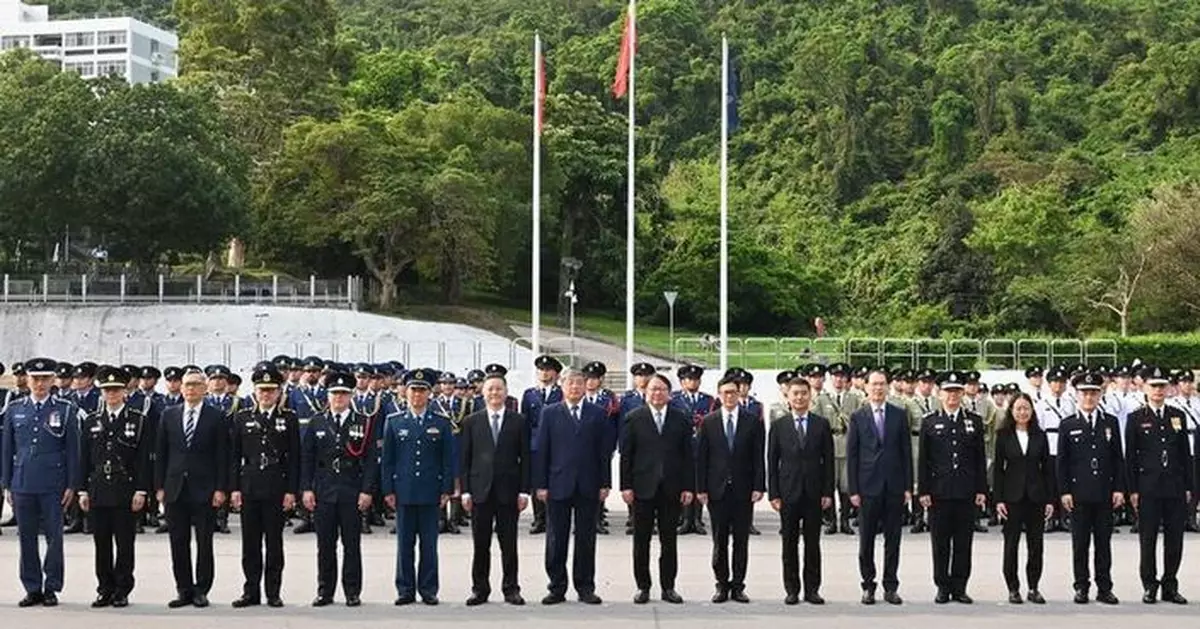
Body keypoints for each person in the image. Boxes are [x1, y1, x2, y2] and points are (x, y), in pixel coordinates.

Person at [2, 358, 81, 607]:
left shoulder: (65, 408)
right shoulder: (15, 409)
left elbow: (73, 450)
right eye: (35, 379)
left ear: (52, 380)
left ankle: (52, 587)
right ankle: (32, 587)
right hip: (23, 482)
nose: (39, 383)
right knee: (26, 538)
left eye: (45, 378)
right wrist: (6, 483)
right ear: (27, 379)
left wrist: (72, 484)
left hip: (53, 484)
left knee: (54, 538)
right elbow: (6, 450)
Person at [533, 368, 612, 605]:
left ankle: (585, 586)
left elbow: (603, 452)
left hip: (588, 484)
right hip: (558, 484)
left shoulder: (597, 413)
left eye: (579, 383)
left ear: (586, 385)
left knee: (586, 539)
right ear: (562, 386)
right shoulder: (550, 413)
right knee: (557, 538)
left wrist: (605, 483)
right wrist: (541, 485)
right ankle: (556, 587)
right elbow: (542, 450)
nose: (575, 387)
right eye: (570, 383)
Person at [301, 370, 378, 607]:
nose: (339, 398)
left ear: (351, 395)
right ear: (328, 395)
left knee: (351, 544)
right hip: (324, 491)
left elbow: (371, 460)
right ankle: (325, 591)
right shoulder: (317, 421)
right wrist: (306, 489)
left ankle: (352, 591)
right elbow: (307, 458)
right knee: (325, 545)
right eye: (335, 393)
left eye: (344, 394)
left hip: (351, 490)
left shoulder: (363, 422)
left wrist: (367, 490)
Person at [78, 366, 152, 608]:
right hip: (98, 489)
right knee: (101, 543)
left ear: (124, 391)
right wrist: (82, 490)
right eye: (107, 390)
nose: (111, 394)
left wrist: (141, 490)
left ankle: (122, 589)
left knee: (124, 543)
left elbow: (143, 459)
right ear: (101, 393)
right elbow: (84, 459)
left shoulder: (137, 420)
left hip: (125, 489)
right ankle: (104, 588)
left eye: (116, 390)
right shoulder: (91, 421)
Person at [155, 369, 228, 609]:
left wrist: (220, 489)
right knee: (178, 541)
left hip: (204, 488)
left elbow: (221, 456)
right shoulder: (169, 415)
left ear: (205, 388)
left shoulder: (216, 416)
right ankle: (183, 589)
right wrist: (159, 487)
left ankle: (201, 589)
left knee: (204, 542)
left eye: (196, 385)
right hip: (175, 488)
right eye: (187, 385)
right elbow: (161, 454)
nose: (190, 389)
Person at [229, 365, 300, 608]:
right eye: (262, 390)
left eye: (271, 390)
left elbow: (294, 458)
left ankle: (273, 592)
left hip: (275, 486)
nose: (266, 394)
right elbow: (234, 456)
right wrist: (235, 489)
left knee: (274, 543)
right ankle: (251, 591)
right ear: (255, 391)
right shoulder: (242, 417)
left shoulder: (288, 418)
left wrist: (291, 491)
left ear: (279, 392)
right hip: (249, 486)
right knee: (250, 544)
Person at [382, 369, 455, 606]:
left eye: (422, 390)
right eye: (413, 389)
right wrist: (388, 490)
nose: (417, 395)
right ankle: (405, 589)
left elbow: (447, 460)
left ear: (429, 394)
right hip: (403, 491)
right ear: (406, 392)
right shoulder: (394, 422)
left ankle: (428, 589)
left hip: (430, 491)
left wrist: (446, 490)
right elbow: (388, 460)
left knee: (429, 545)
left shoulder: (441, 423)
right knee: (404, 545)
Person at [621, 373, 694, 605]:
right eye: (653, 389)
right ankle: (643, 587)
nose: (657, 393)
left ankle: (668, 587)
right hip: (642, 489)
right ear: (646, 392)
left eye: (661, 389)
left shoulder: (681, 418)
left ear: (669, 394)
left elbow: (688, 457)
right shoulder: (634, 417)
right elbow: (626, 456)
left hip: (671, 489)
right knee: (641, 541)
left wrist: (688, 487)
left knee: (669, 541)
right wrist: (625, 486)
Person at [460, 372, 531, 606]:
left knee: (508, 545)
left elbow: (526, 459)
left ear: (506, 392)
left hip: (508, 492)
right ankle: (480, 589)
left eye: (499, 389)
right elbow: (465, 459)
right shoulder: (472, 421)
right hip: (480, 492)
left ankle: (511, 589)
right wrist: (466, 491)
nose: (494, 393)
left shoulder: (519, 421)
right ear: (483, 392)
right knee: (481, 545)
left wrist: (524, 491)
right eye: (490, 389)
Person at [918, 371, 987, 604]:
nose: (952, 396)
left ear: (962, 393)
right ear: (940, 394)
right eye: (948, 391)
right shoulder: (930, 421)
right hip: (939, 492)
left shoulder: (974, 421)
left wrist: (981, 490)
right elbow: (924, 460)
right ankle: (942, 586)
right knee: (940, 543)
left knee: (963, 542)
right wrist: (924, 491)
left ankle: (960, 587)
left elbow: (980, 459)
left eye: (957, 391)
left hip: (966, 491)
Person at [696, 374, 765, 604]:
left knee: (741, 541)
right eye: (725, 392)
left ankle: (738, 586)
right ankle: (721, 585)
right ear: (719, 394)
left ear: (740, 393)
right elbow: (702, 458)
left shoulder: (752, 421)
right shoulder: (709, 421)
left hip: (743, 491)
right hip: (717, 491)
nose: (729, 396)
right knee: (720, 541)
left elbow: (758, 457)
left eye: (733, 392)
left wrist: (758, 486)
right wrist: (701, 488)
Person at [1125, 366, 1191, 605]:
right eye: (1153, 386)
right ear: (1144, 388)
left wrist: (1189, 487)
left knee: (1175, 539)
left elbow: (1185, 454)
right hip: (1148, 488)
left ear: (1168, 388)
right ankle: (1149, 585)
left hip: (1174, 486)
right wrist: (1132, 489)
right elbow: (1130, 457)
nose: (1158, 390)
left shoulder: (1177, 415)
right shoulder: (1136, 418)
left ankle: (1170, 585)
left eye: (1162, 386)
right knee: (1148, 539)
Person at [1058, 370, 1124, 605]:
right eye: (1085, 393)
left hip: (1104, 493)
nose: (1089, 397)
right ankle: (1081, 586)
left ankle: (1104, 587)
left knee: (1103, 544)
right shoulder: (1068, 425)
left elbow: (1118, 459)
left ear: (1100, 394)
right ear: (1077, 395)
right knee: (1080, 544)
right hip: (1078, 494)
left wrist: (1119, 489)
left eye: (1094, 393)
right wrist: (1064, 491)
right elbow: (1062, 462)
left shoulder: (1110, 423)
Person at [847, 368, 911, 605]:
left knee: (893, 539)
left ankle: (891, 586)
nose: (878, 388)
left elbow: (905, 452)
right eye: (874, 384)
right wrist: (853, 489)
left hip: (894, 486)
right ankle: (868, 585)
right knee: (867, 541)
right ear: (866, 387)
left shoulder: (898, 414)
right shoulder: (858, 416)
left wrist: (907, 486)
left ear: (888, 386)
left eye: (882, 384)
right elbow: (852, 455)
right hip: (867, 487)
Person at [768, 377, 833, 605]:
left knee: (813, 544)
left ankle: (812, 589)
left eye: (804, 393)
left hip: (814, 494)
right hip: (788, 493)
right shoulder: (779, 426)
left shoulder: (821, 424)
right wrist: (774, 494)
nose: (799, 397)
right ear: (788, 396)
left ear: (810, 396)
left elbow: (829, 462)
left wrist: (827, 492)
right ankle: (792, 589)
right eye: (795, 393)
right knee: (789, 543)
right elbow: (772, 462)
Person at [992, 392, 1053, 605]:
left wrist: (1049, 500)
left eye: (1026, 408)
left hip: (1036, 497)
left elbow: (1048, 469)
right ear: (1011, 411)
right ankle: (1013, 588)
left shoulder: (1039, 435)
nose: (1022, 412)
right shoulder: (1003, 435)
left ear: (1031, 411)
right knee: (1011, 545)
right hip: (1012, 497)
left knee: (1036, 545)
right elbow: (998, 470)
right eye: (1018, 408)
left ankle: (1034, 587)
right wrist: (998, 500)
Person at [521, 355, 562, 535]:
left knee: (554, 481)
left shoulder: (561, 393)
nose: (544, 373)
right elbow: (525, 421)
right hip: (534, 444)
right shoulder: (530, 394)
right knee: (536, 481)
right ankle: (539, 518)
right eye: (541, 370)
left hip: (556, 442)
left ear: (555, 373)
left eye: (548, 370)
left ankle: (553, 517)